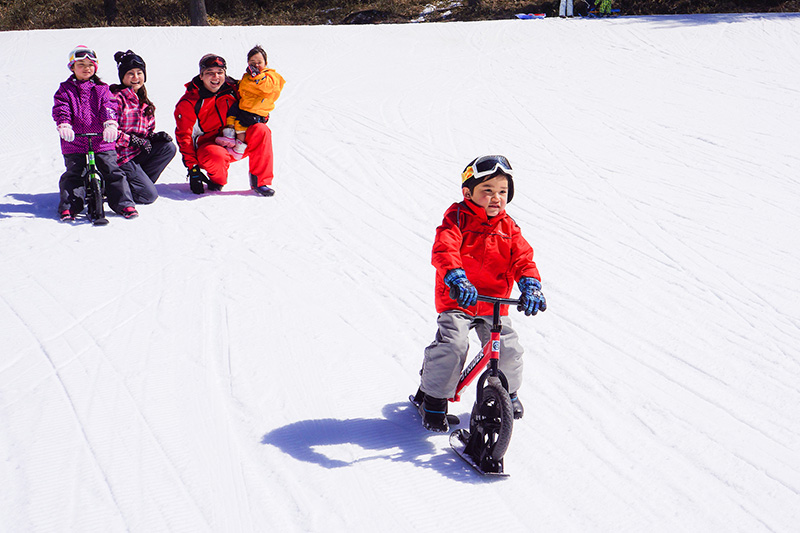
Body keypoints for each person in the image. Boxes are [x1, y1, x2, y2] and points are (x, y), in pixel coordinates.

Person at [413, 155, 547, 432]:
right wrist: (457, 277)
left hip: (493, 304)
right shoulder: (457, 218)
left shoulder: (509, 228)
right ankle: (434, 400)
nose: (496, 198)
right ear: (468, 193)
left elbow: (523, 259)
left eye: (503, 191)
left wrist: (530, 284)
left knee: (508, 348)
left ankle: (507, 393)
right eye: (488, 190)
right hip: (458, 300)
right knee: (454, 345)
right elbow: (445, 249)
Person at [174, 53, 278, 197]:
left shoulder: (234, 89)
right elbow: (184, 137)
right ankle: (217, 181)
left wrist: (261, 116)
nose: (215, 77)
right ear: (201, 76)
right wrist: (193, 169)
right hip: (209, 151)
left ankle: (260, 182)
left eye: (220, 72)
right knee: (216, 155)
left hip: (237, 143)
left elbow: (254, 101)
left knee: (261, 130)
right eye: (210, 73)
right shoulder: (190, 102)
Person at [53, 45, 138, 221]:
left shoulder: (101, 89)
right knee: (74, 174)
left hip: (101, 139)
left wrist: (110, 123)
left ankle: (124, 204)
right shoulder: (65, 90)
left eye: (90, 65)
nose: (86, 68)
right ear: (72, 67)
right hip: (74, 140)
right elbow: (62, 108)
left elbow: (109, 106)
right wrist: (64, 124)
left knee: (112, 170)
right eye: (81, 65)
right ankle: (70, 206)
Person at [110, 50, 177, 204]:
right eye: (130, 73)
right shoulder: (116, 98)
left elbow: (147, 132)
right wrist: (132, 140)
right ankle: (117, 187)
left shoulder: (144, 103)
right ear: (122, 76)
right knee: (149, 196)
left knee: (168, 147)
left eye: (139, 73)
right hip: (120, 157)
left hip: (136, 154)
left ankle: (135, 184)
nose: (136, 77)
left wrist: (154, 137)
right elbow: (109, 131)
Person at [215, 45, 285, 161]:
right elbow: (245, 86)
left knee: (240, 124)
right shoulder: (248, 76)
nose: (256, 65)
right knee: (232, 111)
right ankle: (229, 135)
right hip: (246, 105)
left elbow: (268, 87)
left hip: (256, 110)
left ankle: (238, 149)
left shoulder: (271, 76)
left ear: (266, 63)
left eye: (259, 62)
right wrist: (234, 83)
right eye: (253, 62)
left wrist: (258, 76)